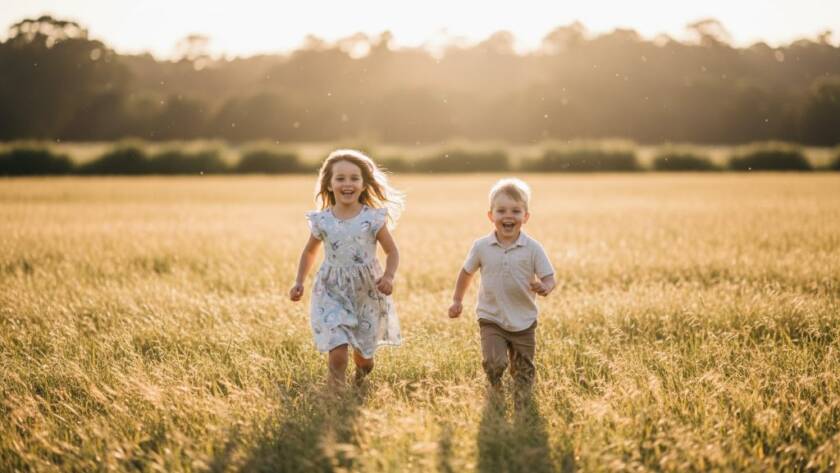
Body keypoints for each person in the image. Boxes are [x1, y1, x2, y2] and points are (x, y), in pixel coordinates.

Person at [290, 149, 404, 389]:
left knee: (364, 359)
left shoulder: (373, 218)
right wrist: (299, 281)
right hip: (331, 290)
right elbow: (310, 251)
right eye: (340, 178)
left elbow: (392, 251)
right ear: (329, 185)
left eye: (354, 178)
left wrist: (389, 276)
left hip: (367, 292)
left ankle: (361, 377)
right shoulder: (322, 220)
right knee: (338, 351)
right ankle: (336, 395)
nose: (347, 183)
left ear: (364, 184)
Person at [448, 178, 556, 397]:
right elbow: (466, 272)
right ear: (491, 215)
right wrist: (457, 300)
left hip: (524, 320)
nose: (508, 216)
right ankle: (495, 390)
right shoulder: (481, 246)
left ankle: (522, 401)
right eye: (501, 211)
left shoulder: (533, 248)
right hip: (491, 317)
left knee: (524, 371)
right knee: (494, 363)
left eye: (516, 211)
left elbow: (549, 277)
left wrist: (545, 286)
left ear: (526, 217)